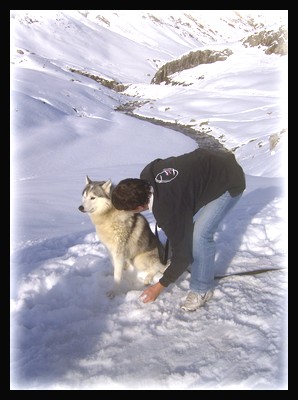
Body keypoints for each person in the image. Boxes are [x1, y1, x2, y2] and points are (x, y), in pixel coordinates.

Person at [111, 147, 246, 311]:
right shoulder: (148, 172)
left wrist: (159, 286)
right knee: (186, 231)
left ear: (140, 207)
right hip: (214, 159)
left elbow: (184, 255)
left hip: (229, 180)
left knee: (200, 237)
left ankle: (201, 290)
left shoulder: (168, 210)